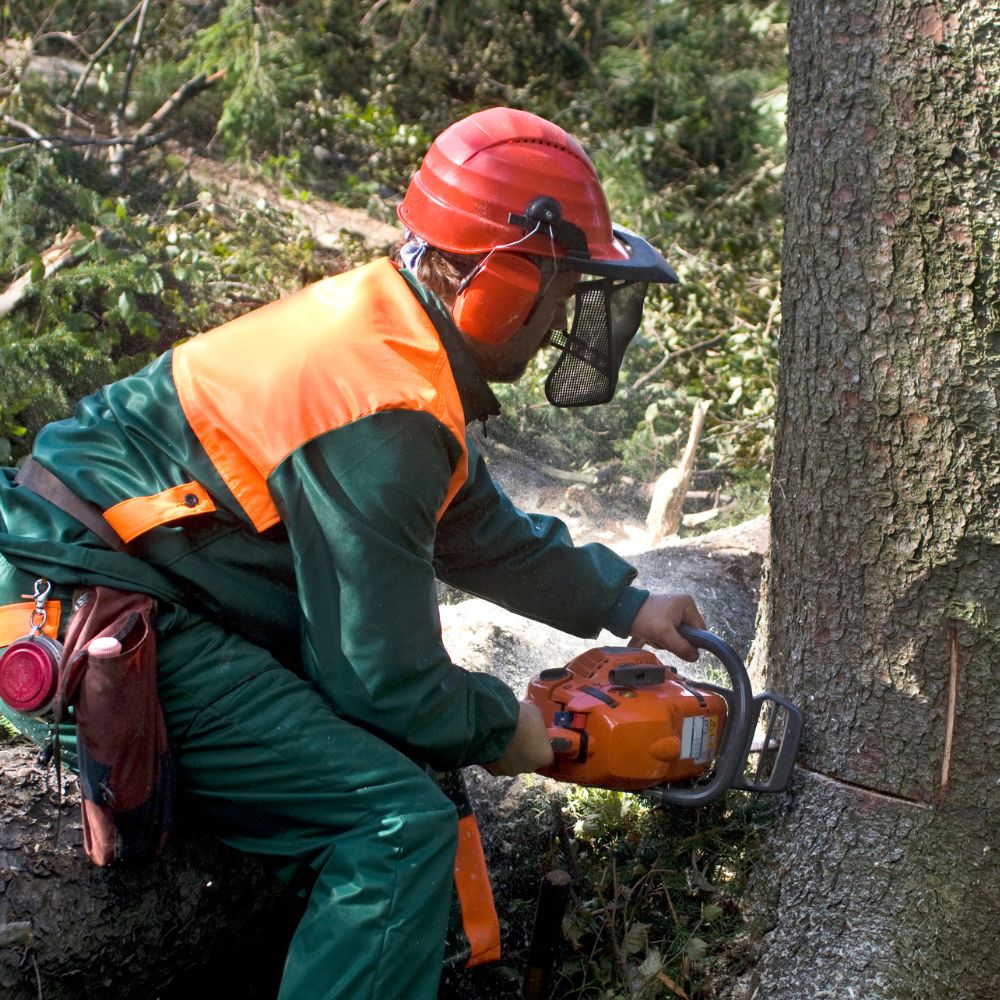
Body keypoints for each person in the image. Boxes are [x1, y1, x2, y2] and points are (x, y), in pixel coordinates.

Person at [0, 107, 705, 998]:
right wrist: (513, 731)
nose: (562, 323)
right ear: (502, 281)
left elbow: (476, 530)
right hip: (94, 615)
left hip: (132, 581)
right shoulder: (385, 408)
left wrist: (627, 604)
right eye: (562, 296)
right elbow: (383, 680)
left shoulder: (389, 337)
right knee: (393, 827)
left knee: (389, 771)